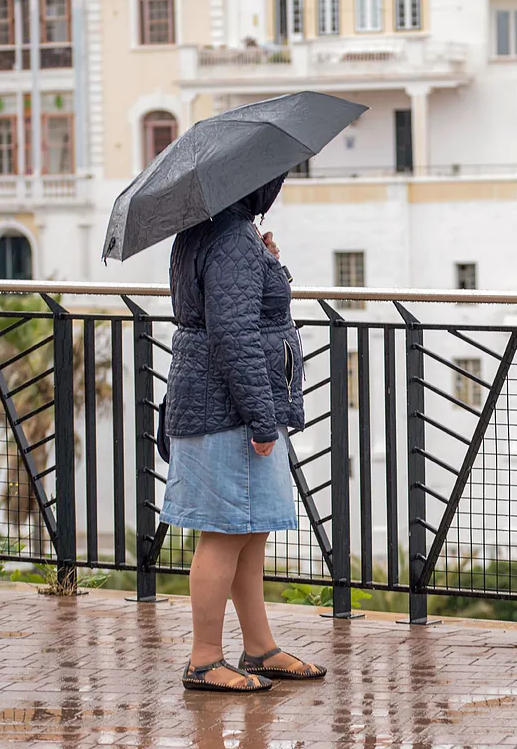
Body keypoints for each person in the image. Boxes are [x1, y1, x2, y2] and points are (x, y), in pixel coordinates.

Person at [161, 173, 326, 693]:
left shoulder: (213, 232)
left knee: (247, 533)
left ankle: (259, 648)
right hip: (227, 410)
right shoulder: (231, 239)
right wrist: (260, 416)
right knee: (224, 533)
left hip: (217, 402)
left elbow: (243, 310)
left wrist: (268, 262)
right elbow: (234, 336)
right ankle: (205, 659)